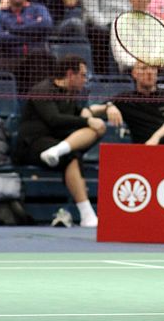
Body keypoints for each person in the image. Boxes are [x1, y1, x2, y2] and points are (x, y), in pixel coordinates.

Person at [15, 55, 116, 228]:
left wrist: (106, 108)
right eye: (83, 75)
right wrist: (86, 120)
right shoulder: (43, 89)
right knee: (72, 156)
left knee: (98, 128)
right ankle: (87, 215)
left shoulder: (72, 94)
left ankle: (58, 151)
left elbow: (82, 113)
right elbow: (54, 119)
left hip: (56, 143)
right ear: (70, 74)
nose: (85, 79)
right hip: (32, 144)